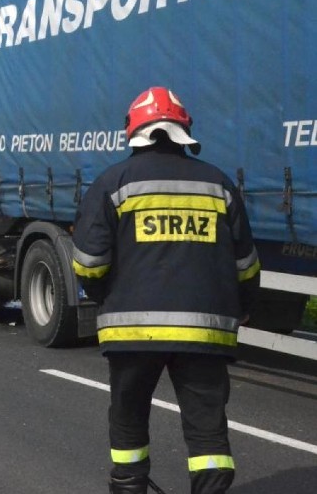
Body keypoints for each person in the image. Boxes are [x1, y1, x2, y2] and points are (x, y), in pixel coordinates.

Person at [71, 87, 261, 494]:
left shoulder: (112, 183)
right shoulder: (218, 184)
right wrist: (243, 307)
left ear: (134, 131)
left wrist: (105, 294)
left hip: (131, 331)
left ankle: (128, 487)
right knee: (208, 433)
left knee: (128, 418)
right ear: (183, 129)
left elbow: (88, 263)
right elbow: (245, 263)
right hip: (204, 332)